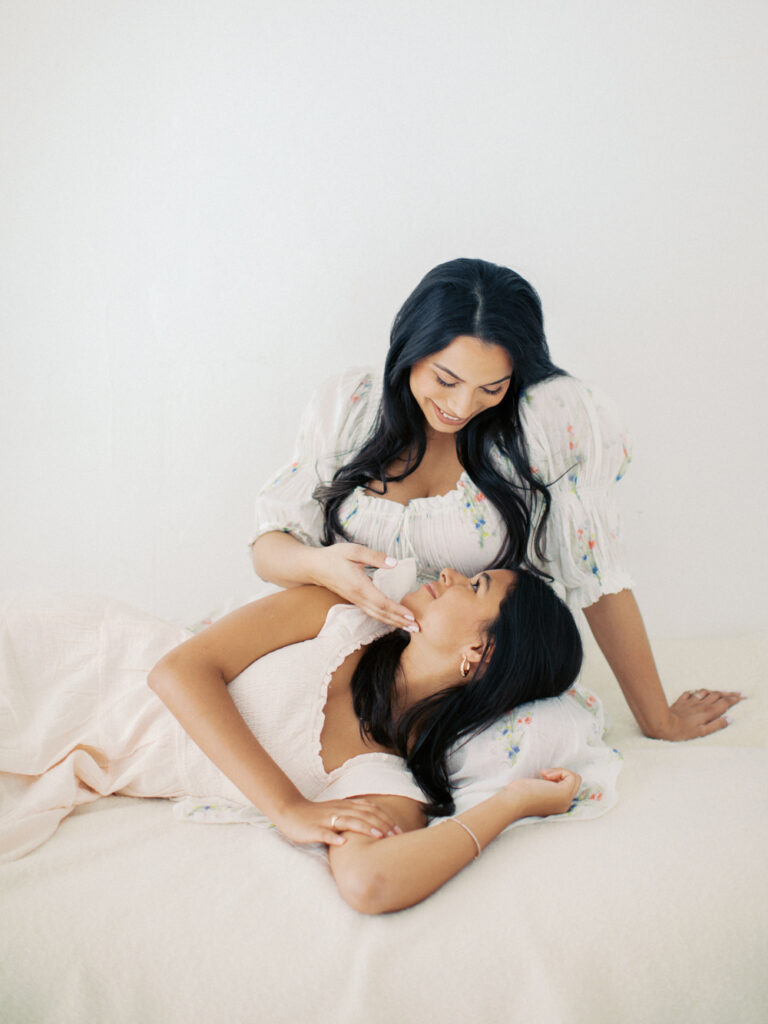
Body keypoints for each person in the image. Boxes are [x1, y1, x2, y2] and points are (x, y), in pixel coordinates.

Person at [250, 258, 743, 741]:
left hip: (462, 683)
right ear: (409, 350)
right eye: (445, 380)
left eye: (492, 387)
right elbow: (271, 546)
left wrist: (658, 719)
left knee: (544, 745)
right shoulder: (350, 405)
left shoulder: (547, 424)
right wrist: (321, 566)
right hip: (334, 665)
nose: (461, 407)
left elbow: (598, 577)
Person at [1, 563, 585, 913]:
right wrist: (288, 808)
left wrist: (511, 804)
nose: (450, 573)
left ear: (479, 654)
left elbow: (370, 882)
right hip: (72, 657)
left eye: (476, 584)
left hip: (78, 749)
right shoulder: (341, 610)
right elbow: (176, 671)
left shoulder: (380, 780)